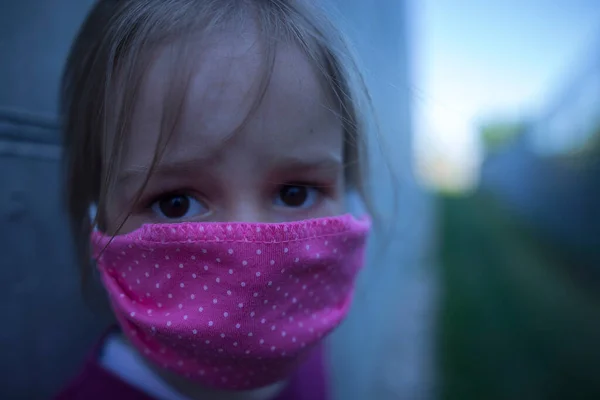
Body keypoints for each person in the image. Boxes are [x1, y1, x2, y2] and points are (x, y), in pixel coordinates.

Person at [55, 0, 377, 399]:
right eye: (176, 203)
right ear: (94, 220)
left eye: (295, 193)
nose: (254, 254)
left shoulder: (309, 355)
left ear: (350, 196)